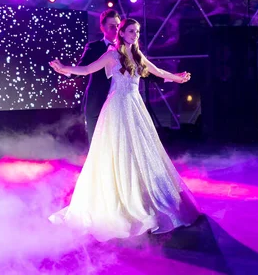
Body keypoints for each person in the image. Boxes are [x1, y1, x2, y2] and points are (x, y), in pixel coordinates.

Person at [48, 18, 200, 242]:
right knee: (117, 152)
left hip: (135, 106)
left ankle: (142, 197)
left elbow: (155, 70)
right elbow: (88, 69)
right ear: (122, 32)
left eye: (137, 31)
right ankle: (119, 200)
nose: (135, 34)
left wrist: (176, 78)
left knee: (141, 153)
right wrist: (65, 69)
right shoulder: (112, 54)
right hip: (117, 107)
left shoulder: (137, 54)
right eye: (131, 31)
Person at [65, 9, 120, 144]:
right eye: (112, 26)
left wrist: (168, 77)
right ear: (103, 27)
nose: (116, 29)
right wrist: (66, 71)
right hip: (97, 98)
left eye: (118, 26)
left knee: (118, 137)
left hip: (120, 97)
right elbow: (83, 67)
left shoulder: (126, 49)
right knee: (96, 137)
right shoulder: (94, 47)